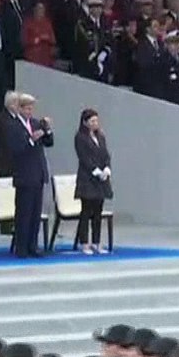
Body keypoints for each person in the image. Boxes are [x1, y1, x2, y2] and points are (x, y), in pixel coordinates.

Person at [6, 93, 53, 258]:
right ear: (19, 108)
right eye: (26, 108)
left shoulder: (35, 123)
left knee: (35, 213)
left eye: (31, 108)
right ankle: (22, 247)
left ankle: (33, 245)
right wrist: (31, 140)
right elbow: (15, 149)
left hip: (38, 172)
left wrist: (47, 130)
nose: (30, 111)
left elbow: (49, 143)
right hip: (24, 174)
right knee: (24, 213)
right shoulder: (12, 125)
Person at [73, 108, 112, 255]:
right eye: (92, 121)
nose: (95, 123)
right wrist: (95, 171)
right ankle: (84, 243)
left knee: (98, 212)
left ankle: (97, 242)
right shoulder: (80, 137)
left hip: (101, 180)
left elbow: (106, 154)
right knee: (86, 211)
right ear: (85, 122)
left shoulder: (100, 136)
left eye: (96, 120)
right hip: (87, 178)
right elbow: (84, 157)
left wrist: (107, 168)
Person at [25, 0, 59, 67]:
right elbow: (25, 40)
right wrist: (38, 38)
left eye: (42, 9)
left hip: (46, 57)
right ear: (34, 10)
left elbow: (52, 39)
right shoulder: (28, 23)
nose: (41, 11)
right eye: (39, 9)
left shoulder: (47, 23)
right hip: (33, 56)